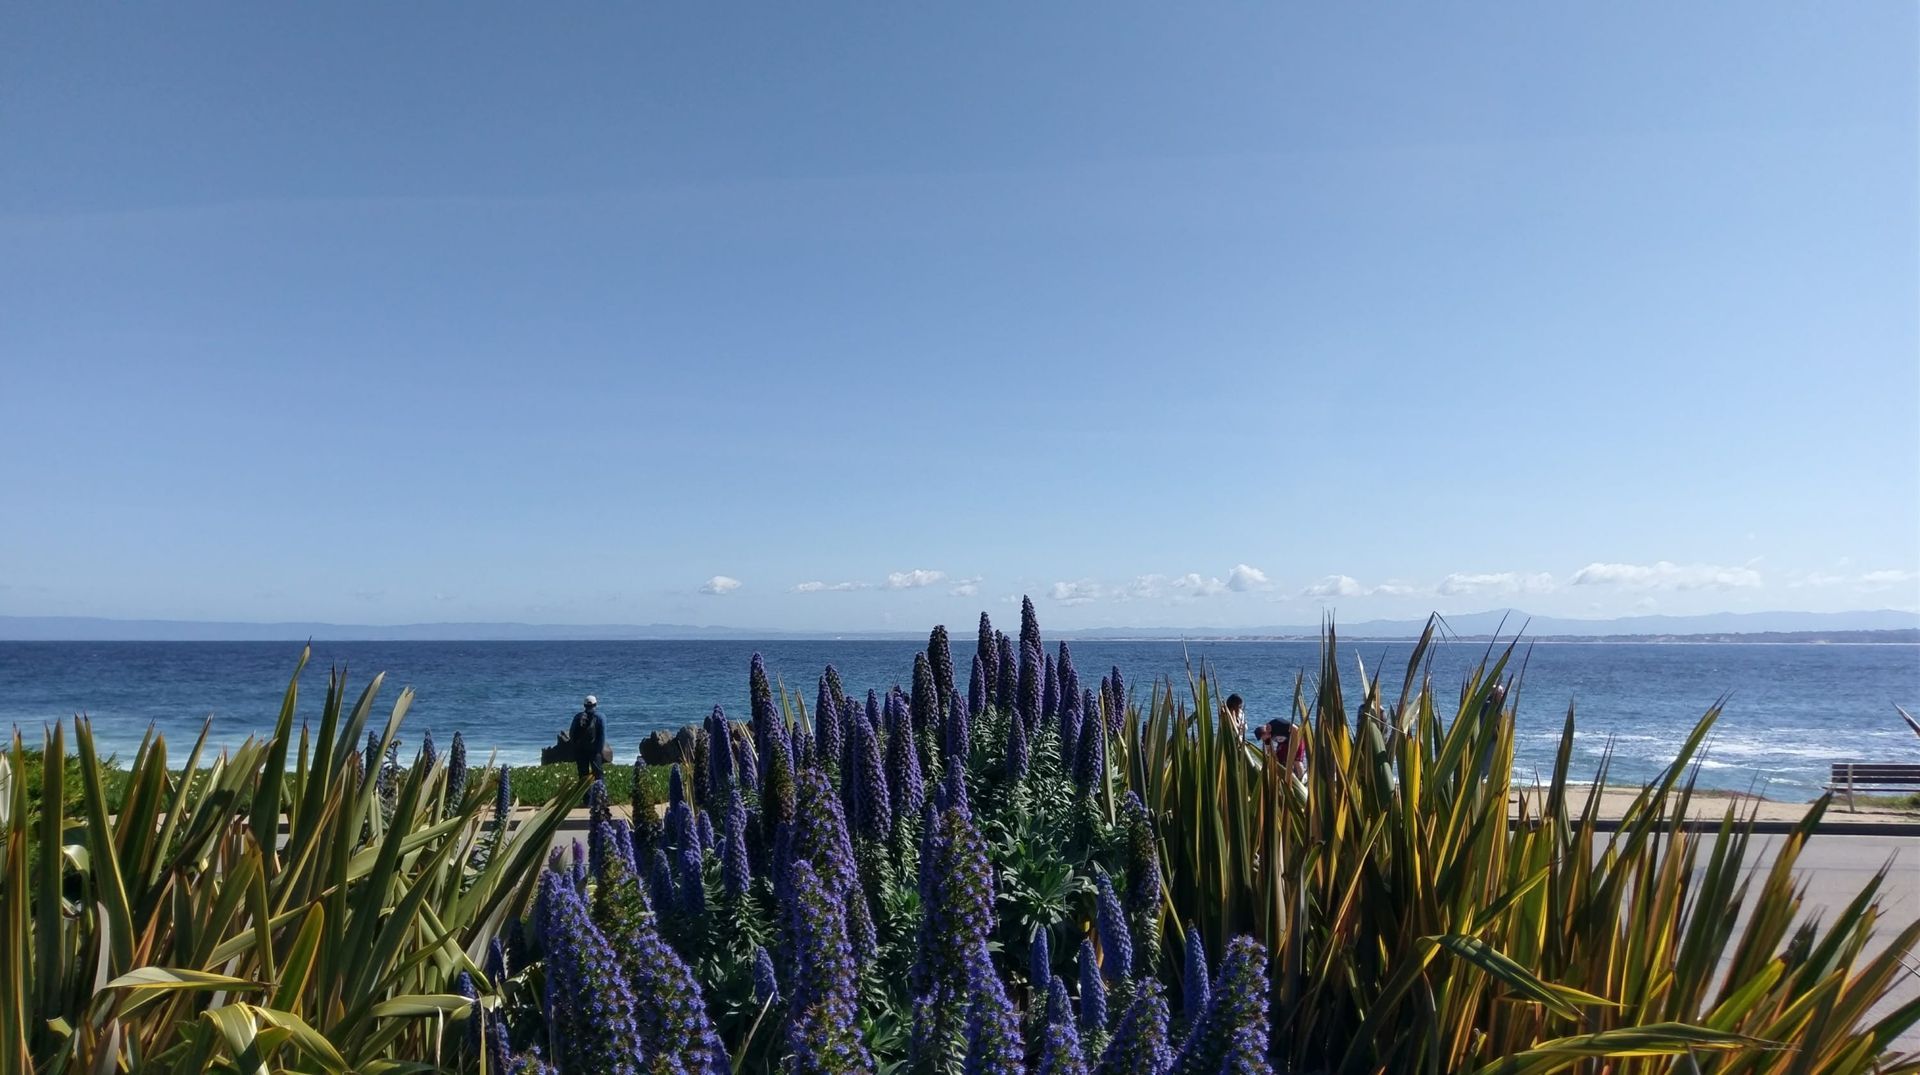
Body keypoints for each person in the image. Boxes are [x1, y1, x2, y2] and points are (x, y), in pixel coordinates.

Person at [570, 695, 606, 780]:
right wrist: (599, 751)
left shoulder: (578, 716)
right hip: (594, 751)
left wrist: (576, 747)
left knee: (583, 775)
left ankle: (585, 793)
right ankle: (599, 792)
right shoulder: (600, 717)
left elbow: (571, 733)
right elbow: (602, 736)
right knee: (598, 775)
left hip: (580, 750)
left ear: (584, 705)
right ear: (596, 704)